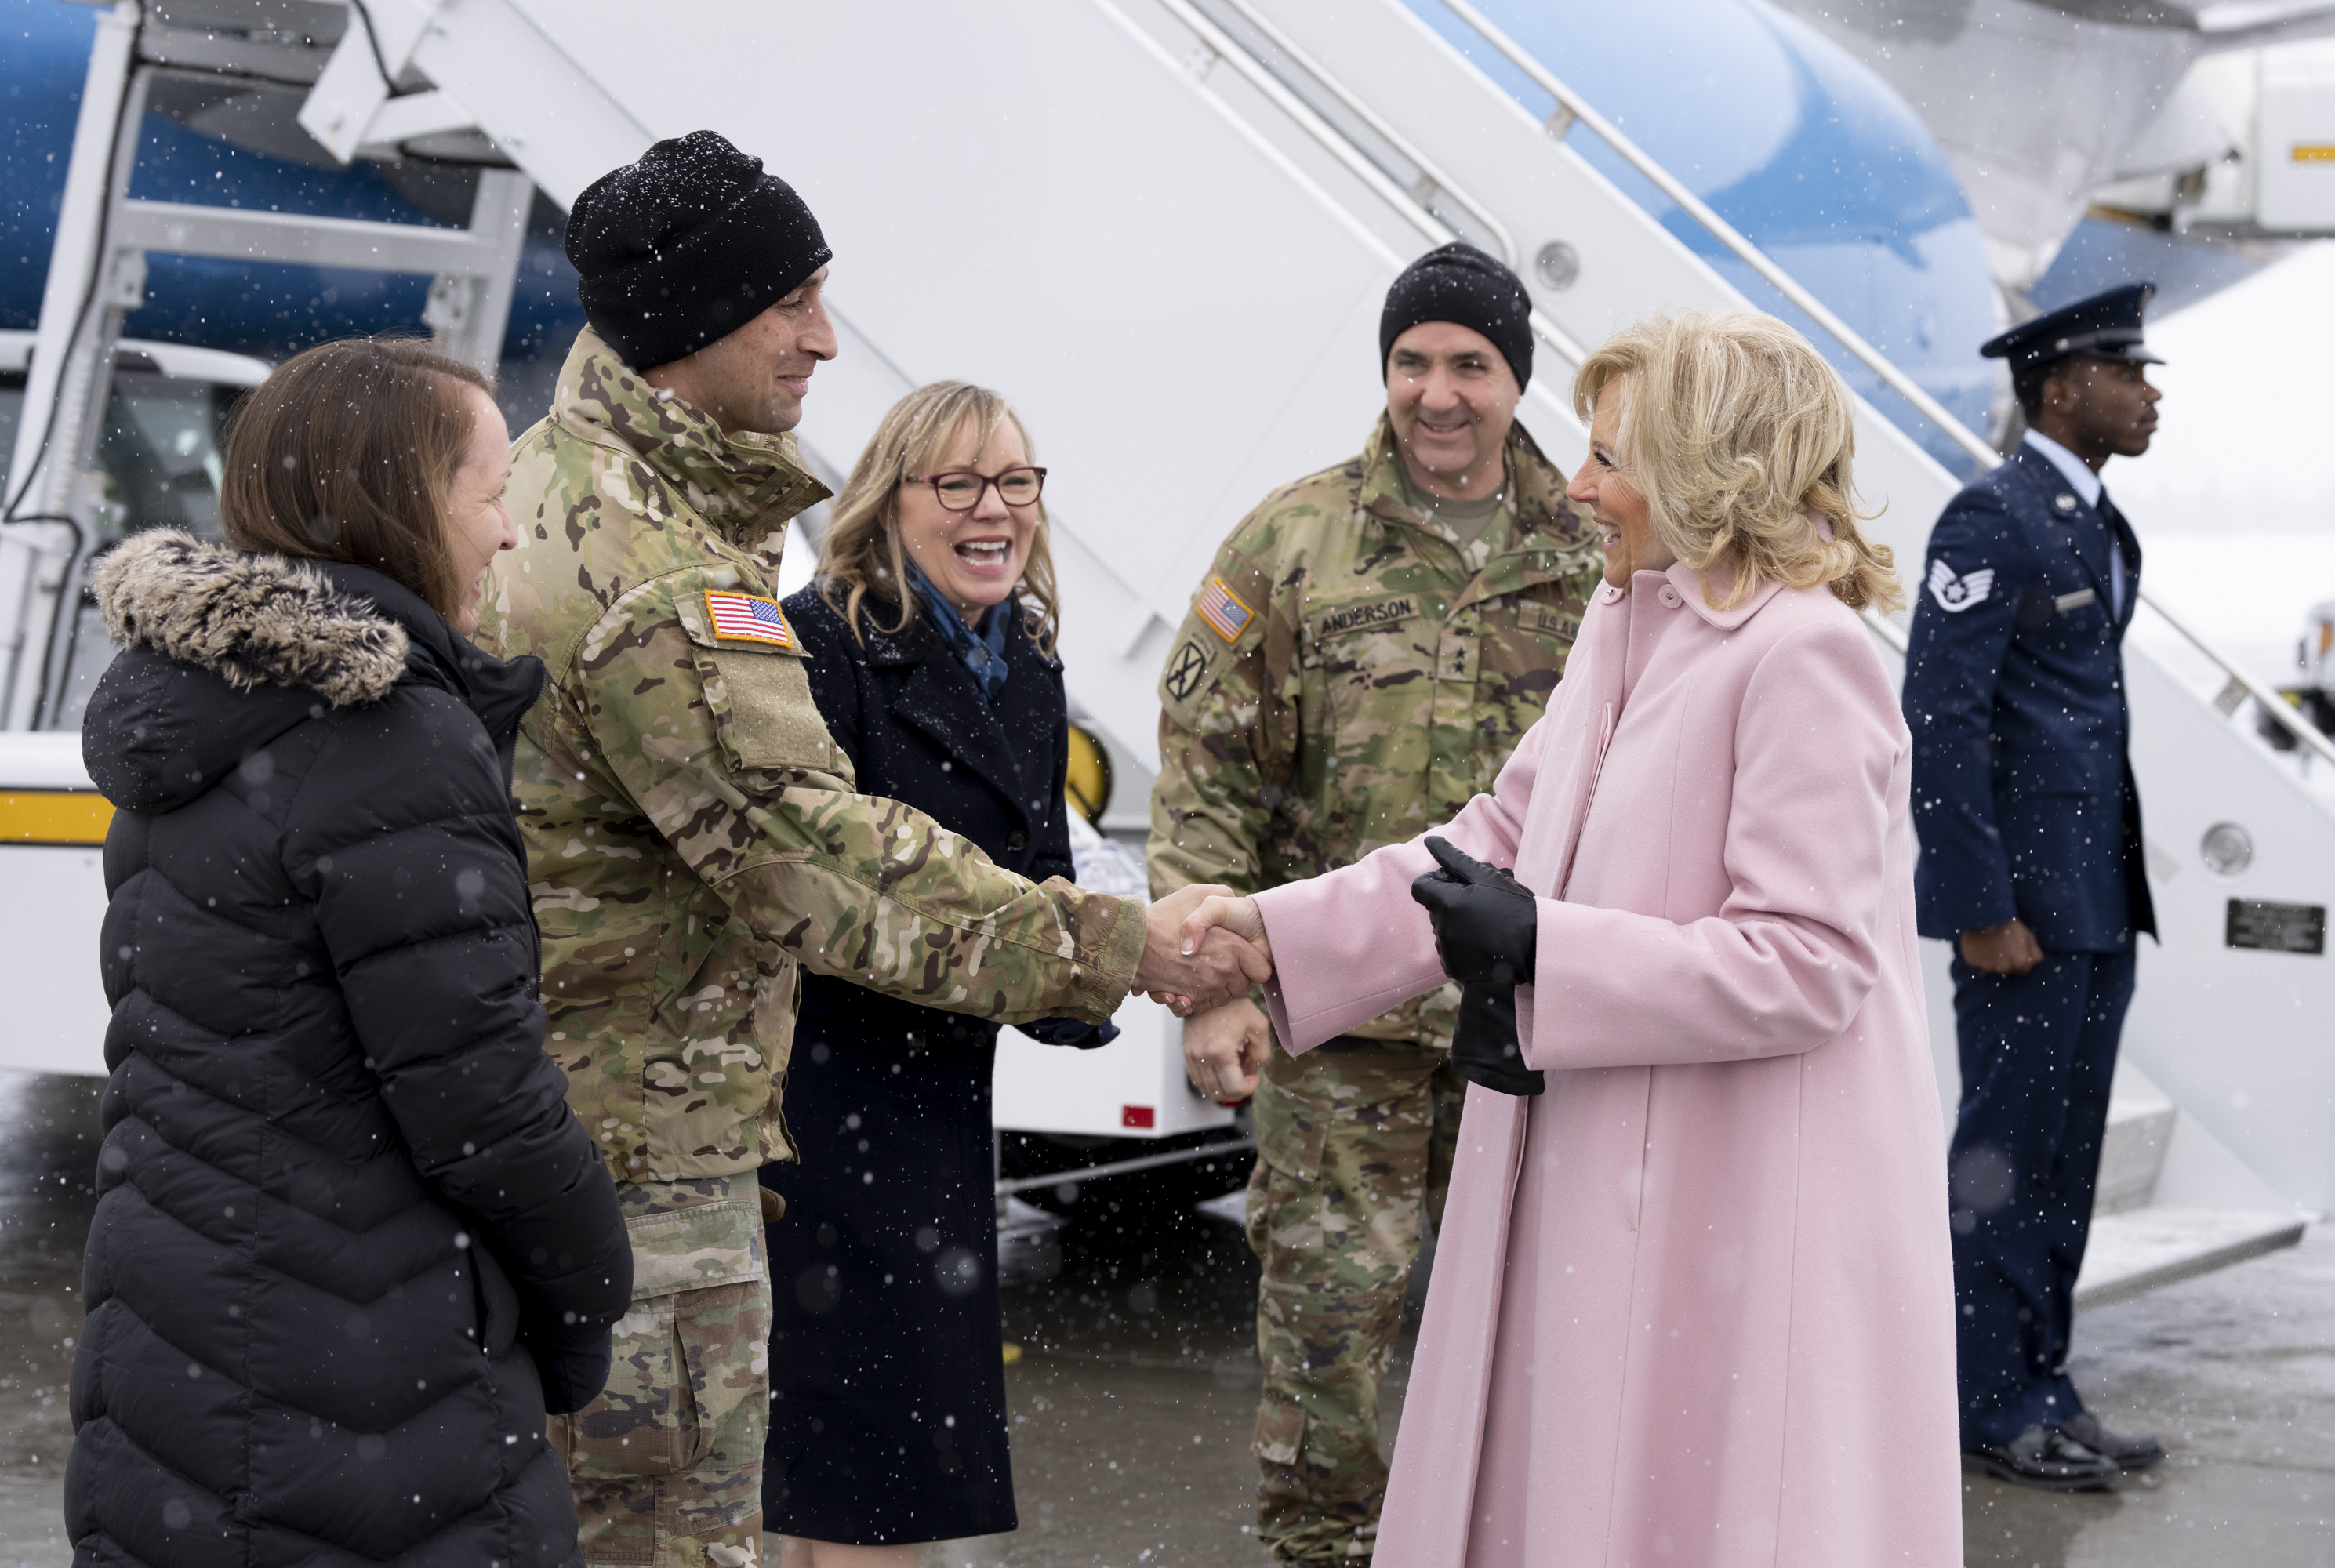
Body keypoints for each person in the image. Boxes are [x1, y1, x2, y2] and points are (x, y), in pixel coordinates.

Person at [479, 131, 1262, 1568]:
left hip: (658, 1121)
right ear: (702, 315)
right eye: (795, 306)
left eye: (1016, 480)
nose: (824, 341)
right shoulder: (649, 572)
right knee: (682, 1527)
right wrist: (1128, 949)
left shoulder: (574, 492)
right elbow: (820, 857)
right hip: (664, 1138)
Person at [1183, 310, 1963, 1567]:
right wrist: (1265, 937)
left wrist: (1547, 948)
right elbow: (1496, 834)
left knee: (1702, 1505)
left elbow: (1810, 964)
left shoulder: (1806, 655)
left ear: (1714, 467)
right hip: (1624, 1171)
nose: (1583, 486)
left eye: (1613, 458)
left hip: (1743, 1196)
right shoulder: (1631, 619)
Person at [70, 339, 631, 1566]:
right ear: (401, 506)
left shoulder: (202, 710)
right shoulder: (387, 738)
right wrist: (586, 1314)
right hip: (369, 1389)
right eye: (492, 494)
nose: (504, 536)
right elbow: (487, 1108)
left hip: (175, 1354)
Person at [1146, 240, 1599, 1564]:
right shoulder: (1294, 539)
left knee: (1533, 1325)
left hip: (1532, 1023)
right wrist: (1215, 983)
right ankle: (1322, 1551)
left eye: (1471, 363)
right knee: (1329, 1333)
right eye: (1413, 362)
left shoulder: (1594, 553)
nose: (1437, 393)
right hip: (1336, 1025)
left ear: (1519, 380)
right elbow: (1210, 773)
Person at [764, 381, 1102, 1563]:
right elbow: (834, 895)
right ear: (891, 502)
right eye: (955, 484)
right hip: (824, 1105)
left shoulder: (1029, 662)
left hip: (939, 1111)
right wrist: (1090, 959)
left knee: (869, 1472)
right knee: (861, 1472)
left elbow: (1042, 875)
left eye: (1015, 481)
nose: (992, 509)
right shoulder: (822, 646)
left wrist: (1111, 986)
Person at [1905, 282, 2166, 1490]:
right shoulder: (1992, 518)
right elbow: (1943, 719)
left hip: (2099, 906)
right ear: (2063, 387)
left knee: (2063, 1161)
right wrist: (1976, 907)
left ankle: (2045, 1386)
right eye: (2132, 372)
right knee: (2002, 1160)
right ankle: (1987, 1401)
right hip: (2021, 915)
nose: (2151, 392)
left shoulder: (2099, 525)